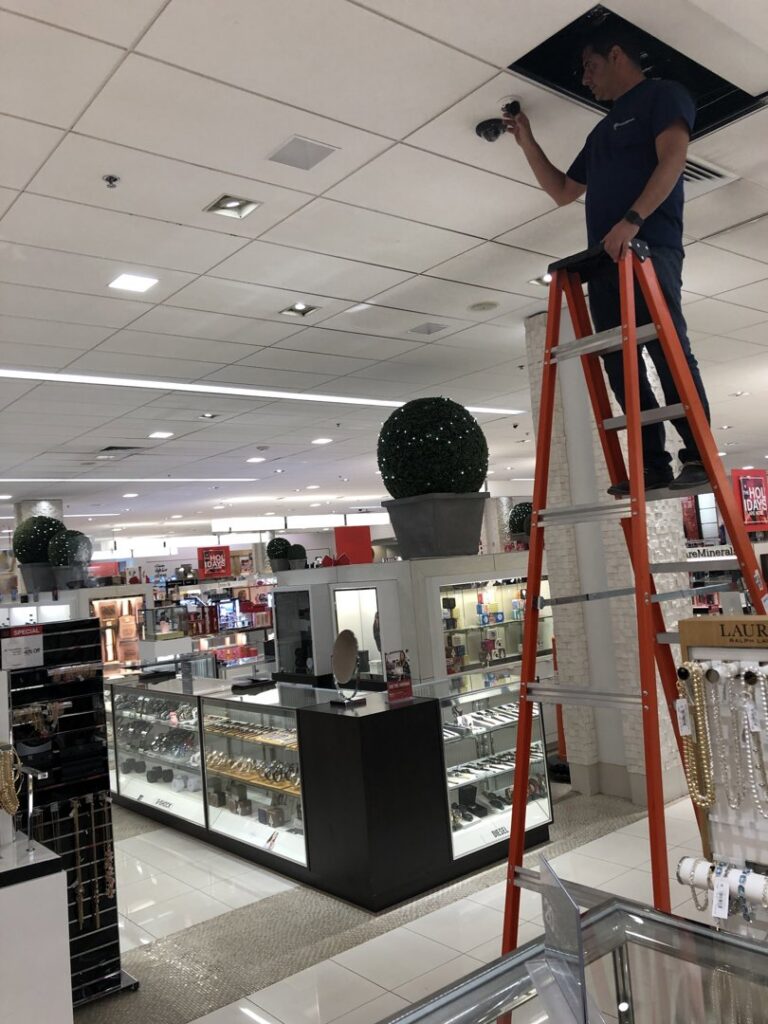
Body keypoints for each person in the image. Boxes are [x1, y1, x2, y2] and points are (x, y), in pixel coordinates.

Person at [504, 22, 710, 493]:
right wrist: (527, 141)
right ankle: (652, 463)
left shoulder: (664, 95)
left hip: (647, 248)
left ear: (617, 55)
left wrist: (633, 220)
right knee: (620, 362)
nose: (585, 79)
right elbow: (562, 191)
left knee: (665, 347)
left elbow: (673, 159)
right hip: (606, 260)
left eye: (590, 67)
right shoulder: (600, 134)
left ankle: (696, 455)